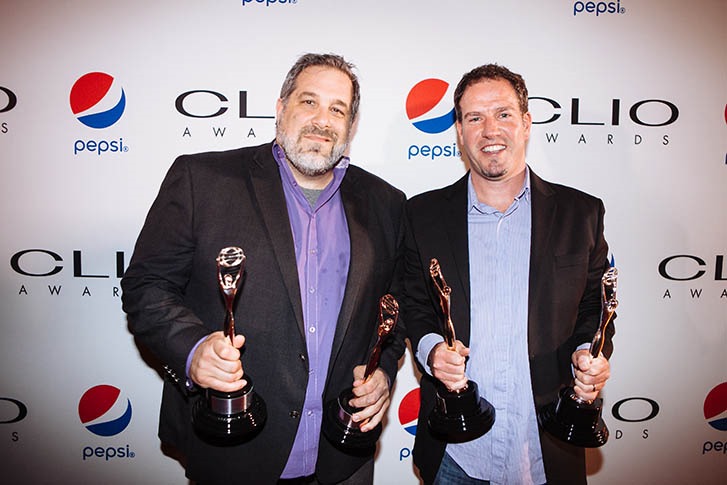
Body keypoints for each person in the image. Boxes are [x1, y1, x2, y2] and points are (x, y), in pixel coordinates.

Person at [121, 53, 407, 484]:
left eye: (337, 109)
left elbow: (394, 309)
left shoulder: (386, 203)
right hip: (234, 452)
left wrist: (382, 372)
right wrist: (194, 350)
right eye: (309, 102)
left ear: (351, 125)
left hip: (343, 459)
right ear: (280, 107)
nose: (322, 120)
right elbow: (147, 286)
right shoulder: (203, 180)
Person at [402, 64, 615, 485]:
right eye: (474, 118)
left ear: (527, 123)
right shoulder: (421, 215)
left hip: (546, 449)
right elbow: (414, 303)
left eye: (503, 114)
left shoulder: (581, 214)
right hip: (455, 456)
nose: (490, 130)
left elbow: (596, 304)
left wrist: (588, 352)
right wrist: (431, 351)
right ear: (459, 131)